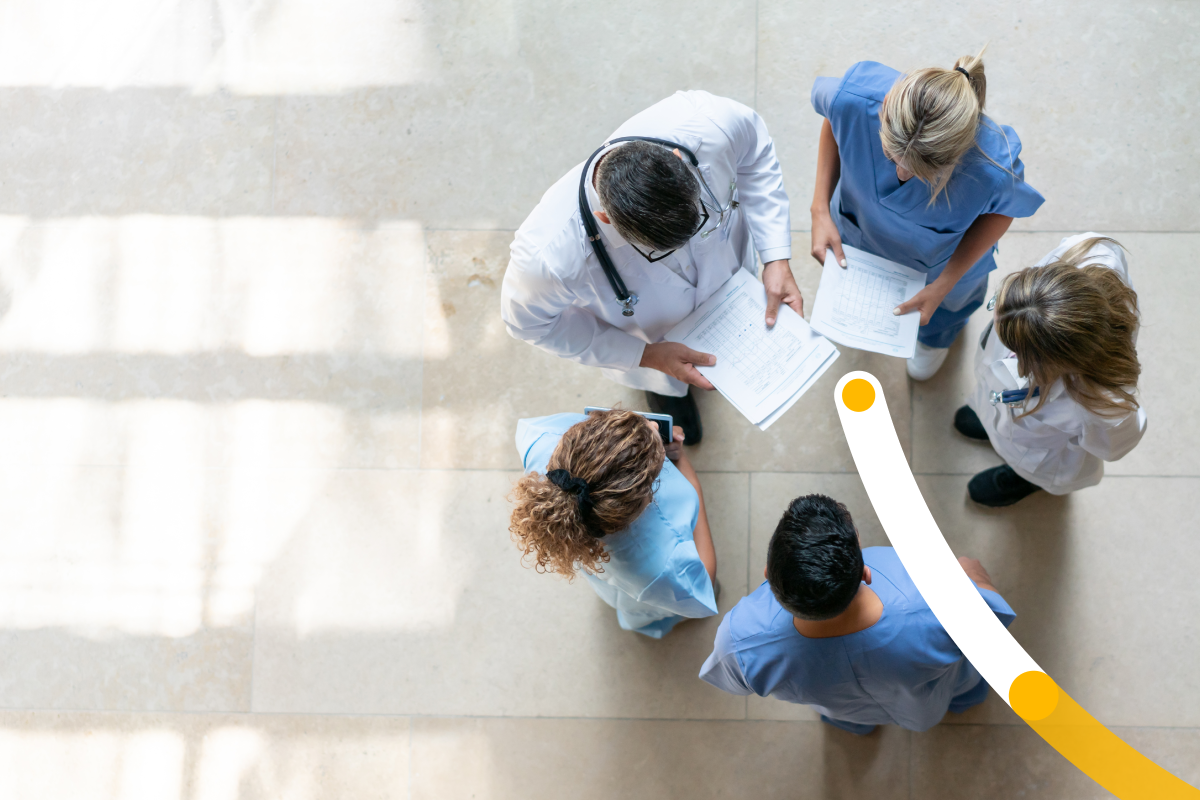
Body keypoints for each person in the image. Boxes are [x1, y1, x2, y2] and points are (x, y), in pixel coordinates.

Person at [501, 92, 801, 444]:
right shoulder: (547, 257)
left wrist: (776, 255)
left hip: (731, 281)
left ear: (679, 161)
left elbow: (756, 152)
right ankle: (669, 396)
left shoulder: (706, 122)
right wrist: (645, 355)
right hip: (653, 339)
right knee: (670, 387)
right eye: (659, 251)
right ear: (605, 219)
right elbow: (528, 324)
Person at [809, 49, 1045, 381]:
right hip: (859, 229)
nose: (902, 174)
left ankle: (934, 341)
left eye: (923, 171)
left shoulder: (992, 167)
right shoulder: (854, 98)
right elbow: (835, 120)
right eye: (891, 155)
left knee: (943, 313)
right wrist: (819, 209)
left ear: (961, 155)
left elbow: (1002, 213)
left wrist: (944, 284)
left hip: (944, 267)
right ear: (885, 107)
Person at [699, 494, 1014, 733]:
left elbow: (730, 681)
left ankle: (859, 728)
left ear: (768, 573)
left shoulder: (740, 641)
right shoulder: (937, 603)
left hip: (844, 708)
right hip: (921, 705)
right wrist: (973, 576)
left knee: (849, 718)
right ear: (865, 572)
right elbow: (995, 622)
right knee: (953, 690)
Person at [955, 233, 1146, 507]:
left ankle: (1024, 480)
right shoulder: (1089, 253)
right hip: (1005, 399)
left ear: (1048, 362)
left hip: (1037, 454)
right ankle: (991, 422)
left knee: (1030, 462)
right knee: (994, 403)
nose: (995, 316)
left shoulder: (1104, 406)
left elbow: (1113, 446)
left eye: (1015, 350)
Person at [510, 408, 719, 638]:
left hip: (612, 578)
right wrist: (686, 470)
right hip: (644, 587)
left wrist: (630, 435)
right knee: (655, 608)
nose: (655, 426)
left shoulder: (541, 438)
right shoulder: (662, 567)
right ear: (643, 503)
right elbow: (703, 583)